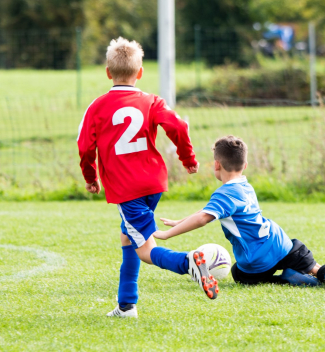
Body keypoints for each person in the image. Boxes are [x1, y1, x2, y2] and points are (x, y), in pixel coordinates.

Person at [77, 37, 219, 319]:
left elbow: (84, 147)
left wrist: (90, 177)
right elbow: (178, 125)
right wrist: (188, 158)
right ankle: (127, 305)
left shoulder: (97, 106)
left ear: (108, 72)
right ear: (140, 72)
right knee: (128, 237)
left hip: (125, 187)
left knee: (144, 249)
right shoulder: (152, 102)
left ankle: (189, 262)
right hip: (152, 184)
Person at [154, 135, 325, 289]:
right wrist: (179, 221)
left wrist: (166, 234)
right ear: (244, 165)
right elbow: (208, 211)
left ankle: (286, 279)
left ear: (216, 164)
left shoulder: (224, 194)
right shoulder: (245, 185)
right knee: (304, 258)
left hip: (255, 259)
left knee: (239, 274)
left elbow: (203, 218)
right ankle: (322, 272)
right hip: (280, 244)